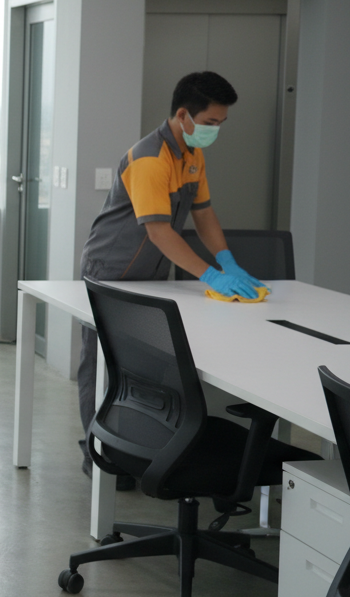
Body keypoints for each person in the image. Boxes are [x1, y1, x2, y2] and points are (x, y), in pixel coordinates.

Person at [78, 71, 267, 487]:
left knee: (144, 367)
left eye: (221, 124)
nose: (216, 131)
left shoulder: (191, 155)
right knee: (102, 362)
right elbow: (159, 231)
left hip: (150, 275)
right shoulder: (150, 159)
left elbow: (202, 214)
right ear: (184, 115)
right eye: (211, 123)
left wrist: (227, 261)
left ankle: (138, 449)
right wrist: (210, 276)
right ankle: (100, 455)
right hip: (112, 270)